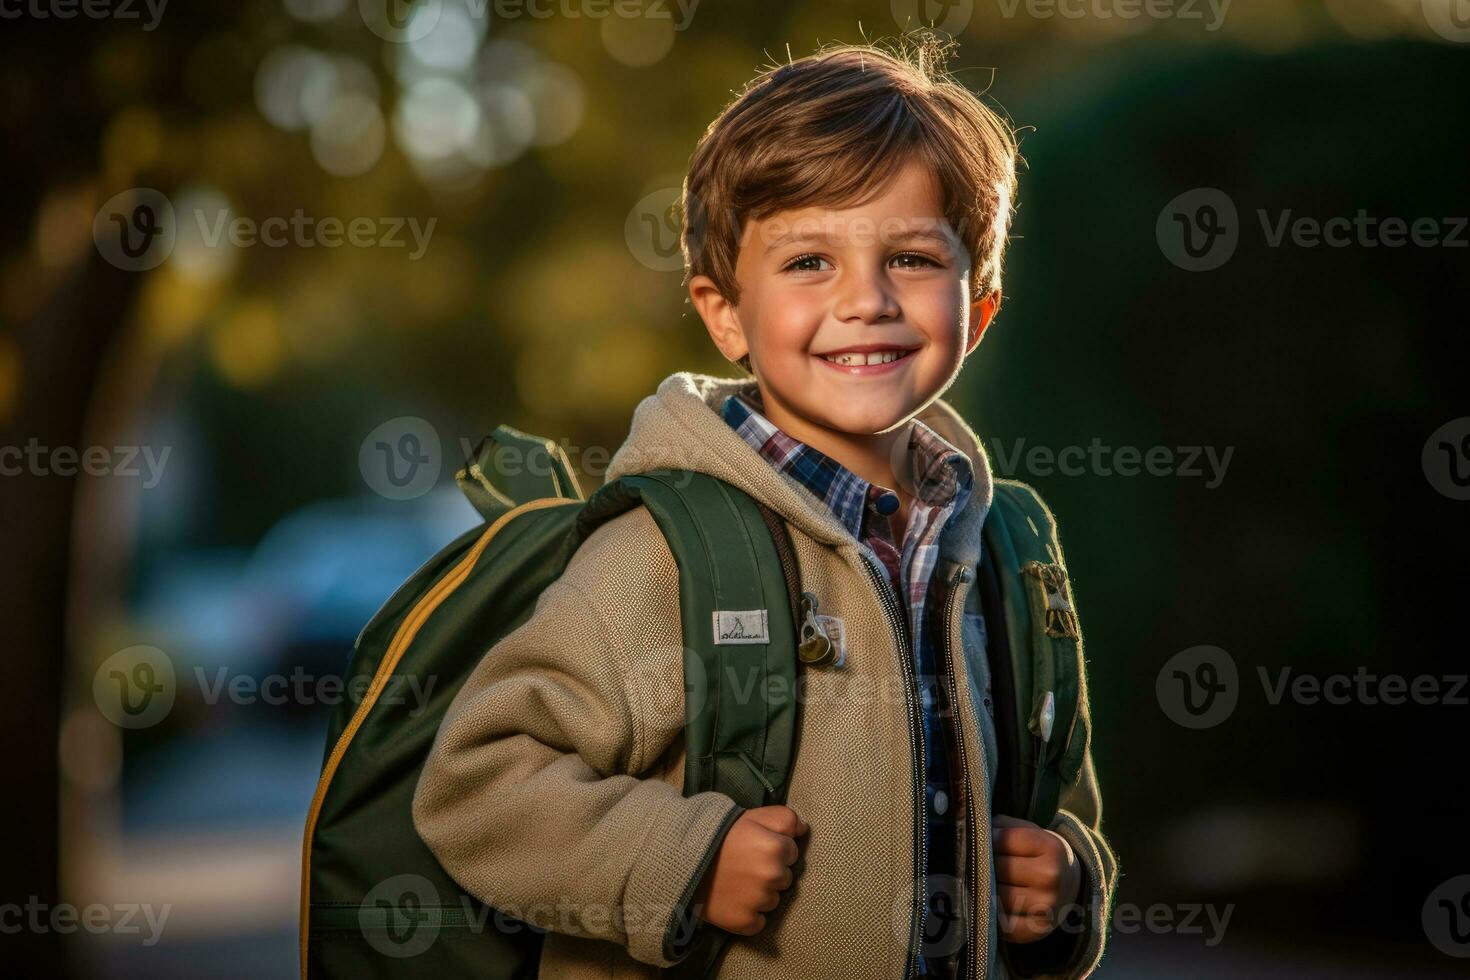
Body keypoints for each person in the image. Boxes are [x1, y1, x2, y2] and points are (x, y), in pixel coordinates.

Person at [412, 35, 1117, 979]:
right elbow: (478, 785)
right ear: (724, 311)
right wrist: (680, 863)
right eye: (808, 263)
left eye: (910, 257)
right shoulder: (663, 551)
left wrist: (1067, 879)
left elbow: (1058, 793)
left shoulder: (998, 547)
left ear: (977, 308)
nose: (865, 301)